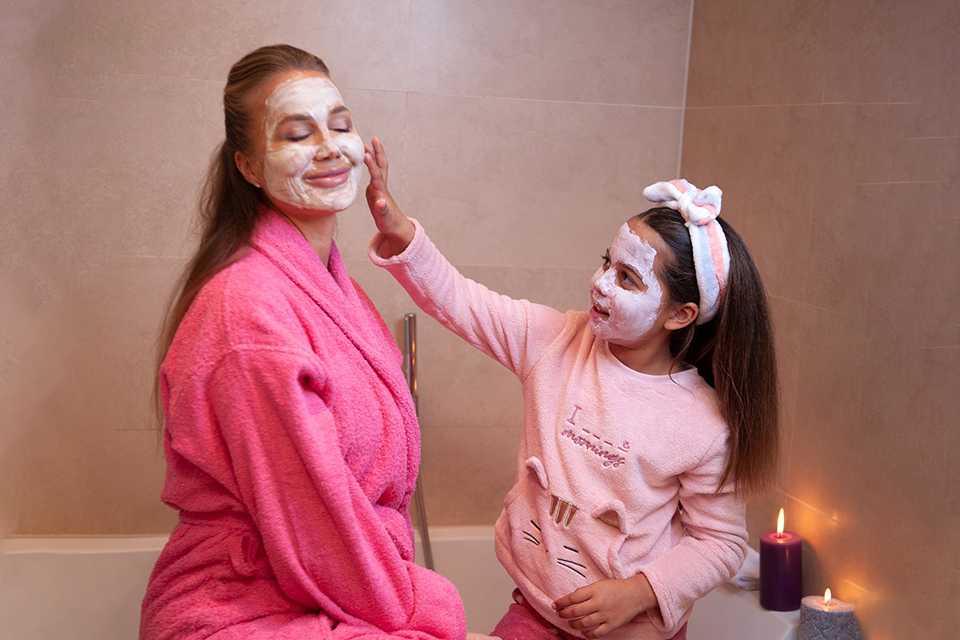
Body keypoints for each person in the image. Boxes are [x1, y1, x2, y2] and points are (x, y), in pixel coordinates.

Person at [362, 138, 779, 640]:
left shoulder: (701, 423)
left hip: (633, 625)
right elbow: (459, 299)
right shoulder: (556, 341)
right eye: (607, 262)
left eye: (627, 278)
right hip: (539, 608)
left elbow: (720, 542)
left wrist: (638, 592)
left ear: (679, 315)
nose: (601, 283)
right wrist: (399, 230)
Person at [140, 45, 466, 640]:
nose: (328, 147)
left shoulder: (337, 292)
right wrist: (423, 604)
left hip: (329, 586)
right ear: (249, 167)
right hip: (242, 609)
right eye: (296, 134)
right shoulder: (247, 313)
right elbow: (313, 521)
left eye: (340, 125)